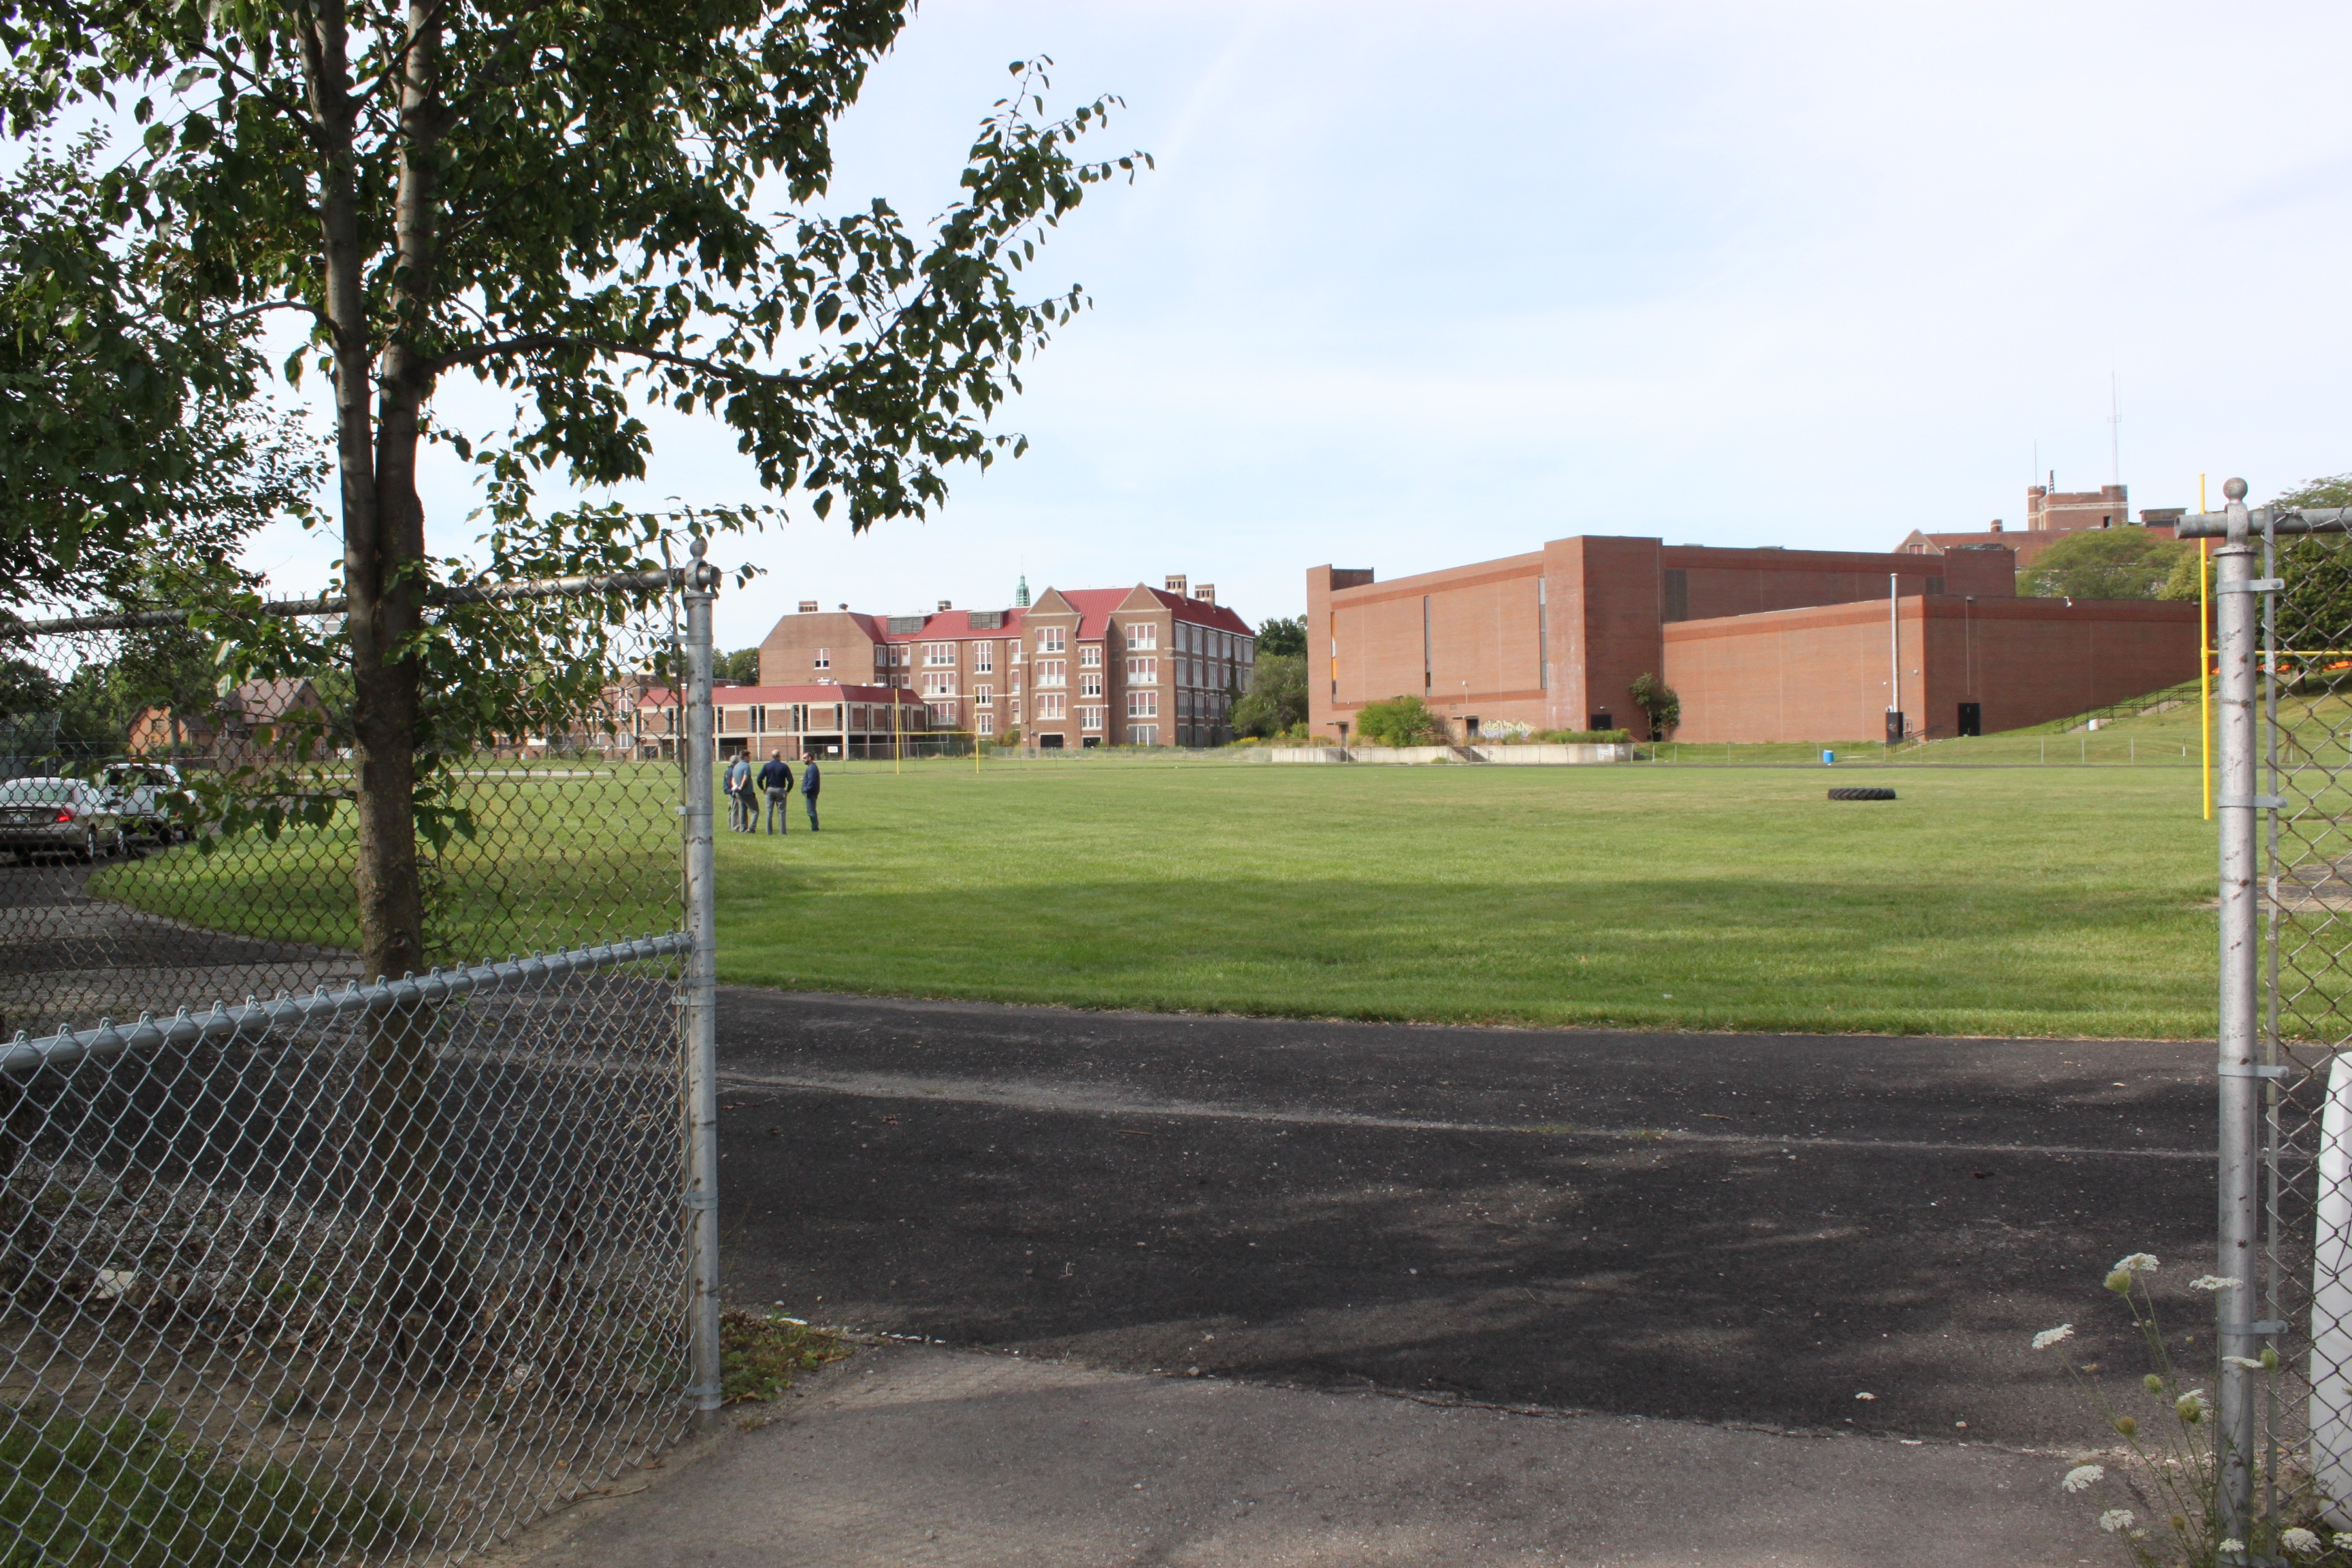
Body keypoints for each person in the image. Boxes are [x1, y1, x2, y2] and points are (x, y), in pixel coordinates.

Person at [758, 750, 794, 834]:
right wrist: (788, 791)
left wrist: (763, 789)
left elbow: (759, 779)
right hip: (780, 790)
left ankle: (769, 831)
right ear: (780, 756)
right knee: (782, 812)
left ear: (772, 756)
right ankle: (783, 832)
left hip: (770, 790)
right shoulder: (784, 766)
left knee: (769, 811)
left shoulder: (767, 766)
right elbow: (791, 780)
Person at [723, 753, 752, 832]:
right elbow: (732, 783)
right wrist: (735, 795)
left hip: (729, 791)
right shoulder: (732, 771)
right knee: (735, 810)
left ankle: (731, 826)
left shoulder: (728, 770)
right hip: (733, 792)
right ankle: (735, 827)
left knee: (731, 810)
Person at [799, 753, 821, 832]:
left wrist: (805, 790)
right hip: (810, 792)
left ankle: (815, 827)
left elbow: (812, 782)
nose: (803, 760)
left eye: (804, 758)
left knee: (811, 811)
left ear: (809, 758)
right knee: (811, 810)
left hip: (811, 792)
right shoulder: (811, 768)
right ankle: (814, 826)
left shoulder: (812, 768)